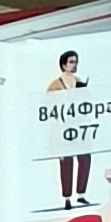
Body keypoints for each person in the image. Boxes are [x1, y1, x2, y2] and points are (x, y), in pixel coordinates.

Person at [47, 52, 91, 208]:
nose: (74, 65)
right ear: (64, 65)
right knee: (66, 162)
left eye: (75, 62)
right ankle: (67, 197)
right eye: (71, 62)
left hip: (79, 128)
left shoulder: (79, 82)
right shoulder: (55, 86)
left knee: (85, 158)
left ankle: (81, 194)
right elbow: (48, 109)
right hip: (63, 128)